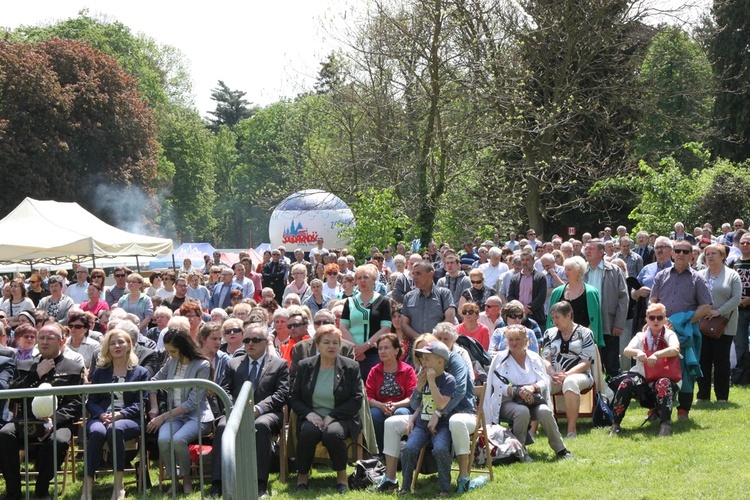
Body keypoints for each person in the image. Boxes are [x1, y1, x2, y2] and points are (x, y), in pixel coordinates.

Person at [0, 323, 84, 500]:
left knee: (59, 440)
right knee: (5, 434)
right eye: (42, 338)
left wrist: (54, 420)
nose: (44, 342)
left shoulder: (73, 369)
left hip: (57, 422)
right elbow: (13, 397)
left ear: (62, 341)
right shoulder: (25, 366)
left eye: (50, 338)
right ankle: (13, 491)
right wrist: (34, 375)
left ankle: (42, 489)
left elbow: (76, 403)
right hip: (26, 421)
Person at [210, 323, 289, 498]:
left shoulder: (279, 364)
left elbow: (281, 394)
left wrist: (259, 409)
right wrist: (234, 410)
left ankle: (260, 484)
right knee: (223, 427)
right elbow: (224, 391)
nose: (250, 344)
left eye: (255, 340)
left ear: (266, 341)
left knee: (260, 426)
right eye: (246, 340)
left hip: (267, 413)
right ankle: (217, 484)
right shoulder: (233, 364)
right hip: (235, 412)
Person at [484, 324, 573, 462]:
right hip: (507, 401)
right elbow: (497, 385)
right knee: (522, 411)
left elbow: (544, 381)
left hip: (533, 399)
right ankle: (519, 451)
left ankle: (560, 449)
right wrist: (516, 391)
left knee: (545, 411)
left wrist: (532, 388)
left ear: (526, 340)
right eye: (511, 339)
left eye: (518, 339)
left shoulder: (534, 357)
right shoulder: (500, 359)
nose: (514, 343)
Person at [290, 325, 362, 494]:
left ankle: (342, 477)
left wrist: (332, 416)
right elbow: (294, 397)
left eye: (335, 343)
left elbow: (356, 398)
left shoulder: (351, 367)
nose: (331, 346)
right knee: (308, 433)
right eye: (327, 342)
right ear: (317, 344)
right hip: (312, 416)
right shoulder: (304, 365)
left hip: (341, 417)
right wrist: (309, 414)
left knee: (332, 434)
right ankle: (302, 477)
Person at [82, 329, 149, 500]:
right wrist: (101, 414)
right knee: (97, 432)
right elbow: (92, 401)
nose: (117, 346)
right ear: (107, 348)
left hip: (128, 419)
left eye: (121, 342)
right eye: (112, 343)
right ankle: (87, 486)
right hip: (102, 417)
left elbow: (142, 402)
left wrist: (121, 414)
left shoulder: (140, 372)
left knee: (114, 429)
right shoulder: (101, 371)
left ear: (129, 345)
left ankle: (119, 486)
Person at [650, 238, 712, 420]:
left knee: (685, 371)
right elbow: (652, 301)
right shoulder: (661, 276)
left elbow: (706, 306)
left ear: (692, 256)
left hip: (686, 333)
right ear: (672, 253)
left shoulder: (698, 278)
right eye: (678, 251)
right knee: (659, 368)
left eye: (686, 252)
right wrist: (660, 319)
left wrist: (681, 321)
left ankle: (683, 409)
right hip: (661, 330)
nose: (681, 254)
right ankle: (657, 408)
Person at [147, 328, 213, 495]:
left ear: (184, 347)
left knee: (178, 440)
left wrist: (161, 417)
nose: (170, 355)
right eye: (168, 351)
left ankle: (186, 479)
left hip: (197, 416)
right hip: (173, 416)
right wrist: (154, 408)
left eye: (173, 351)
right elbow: (153, 383)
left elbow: (192, 402)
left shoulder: (202, 365)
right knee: (163, 440)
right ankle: (174, 480)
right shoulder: (171, 362)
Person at [610, 303, 681, 437]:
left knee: (663, 383)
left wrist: (656, 354)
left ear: (665, 320)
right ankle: (615, 424)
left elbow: (675, 349)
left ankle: (665, 425)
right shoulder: (640, 336)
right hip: (642, 376)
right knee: (626, 383)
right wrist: (638, 352)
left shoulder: (670, 334)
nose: (655, 321)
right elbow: (626, 351)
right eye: (652, 317)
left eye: (659, 318)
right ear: (647, 319)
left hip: (665, 375)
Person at [398, 341, 455, 497]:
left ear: (440, 361)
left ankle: (445, 488)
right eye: (422, 359)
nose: (423, 362)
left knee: (440, 449)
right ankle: (405, 486)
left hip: (441, 426)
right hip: (422, 425)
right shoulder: (422, 377)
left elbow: (442, 404)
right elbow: (416, 403)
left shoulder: (448, 380)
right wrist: (418, 387)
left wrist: (431, 382)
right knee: (409, 449)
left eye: (427, 359)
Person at [542, 301, 597, 438]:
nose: (554, 321)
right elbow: (545, 359)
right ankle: (535, 428)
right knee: (541, 382)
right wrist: (553, 373)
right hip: (554, 374)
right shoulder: (549, 333)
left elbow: (586, 362)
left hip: (581, 374)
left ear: (569, 316)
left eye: (557, 317)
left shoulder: (585, 333)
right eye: (553, 318)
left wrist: (566, 375)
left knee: (570, 382)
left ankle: (571, 430)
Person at [697, 244, 741, 403]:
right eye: (707, 254)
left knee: (721, 361)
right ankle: (703, 396)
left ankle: (722, 397)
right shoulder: (700, 274)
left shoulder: (732, 275)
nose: (710, 256)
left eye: (714, 253)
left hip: (724, 325)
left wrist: (718, 311)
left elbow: (736, 299)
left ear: (722, 256)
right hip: (702, 324)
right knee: (703, 360)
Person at [583, 239, 628, 377]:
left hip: (609, 324)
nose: (587, 251)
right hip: (586, 326)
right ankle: (592, 397)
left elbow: (623, 298)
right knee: (588, 365)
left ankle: (614, 396)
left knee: (611, 365)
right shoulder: (581, 271)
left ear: (601, 252)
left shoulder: (614, 271)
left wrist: (619, 324)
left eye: (591, 249)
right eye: (586, 249)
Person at [366, 333, 417, 452]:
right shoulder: (374, 371)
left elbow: (412, 396)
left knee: (400, 413)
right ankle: (379, 452)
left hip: (402, 407)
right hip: (380, 407)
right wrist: (381, 406)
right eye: (380, 348)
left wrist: (395, 405)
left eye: (386, 348)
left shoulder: (408, 370)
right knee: (374, 415)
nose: (382, 351)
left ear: (396, 350)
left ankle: (400, 452)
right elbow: (368, 396)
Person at [340, 264, 392, 379]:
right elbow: (343, 327)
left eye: (366, 277)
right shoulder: (350, 302)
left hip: (375, 353)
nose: (362, 281)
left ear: (373, 280)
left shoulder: (383, 302)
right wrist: (356, 348)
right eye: (359, 278)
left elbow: (385, 328)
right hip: (352, 354)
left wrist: (366, 346)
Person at [547, 256, 603, 347]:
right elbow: (551, 318)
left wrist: (586, 338)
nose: (566, 272)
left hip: (584, 340)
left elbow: (595, 319)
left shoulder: (591, 292)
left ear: (579, 272)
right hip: (560, 339)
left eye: (569, 269)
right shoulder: (557, 292)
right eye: (565, 269)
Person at [401, 261, 456, 342]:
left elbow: (449, 320)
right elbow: (404, 324)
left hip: (438, 347)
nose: (414, 277)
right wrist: (420, 339)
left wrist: (432, 339)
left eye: (418, 273)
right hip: (416, 348)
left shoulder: (444, 294)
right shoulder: (408, 297)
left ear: (430, 274)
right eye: (413, 274)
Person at [507, 250, 548, 327]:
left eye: (527, 260)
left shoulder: (540, 277)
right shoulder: (515, 278)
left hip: (536, 316)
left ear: (533, 261)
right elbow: (510, 296)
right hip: (518, 317)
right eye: (522, 260)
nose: (524, 262)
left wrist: (529, 309)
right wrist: (520, 308)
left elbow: (541, 297)